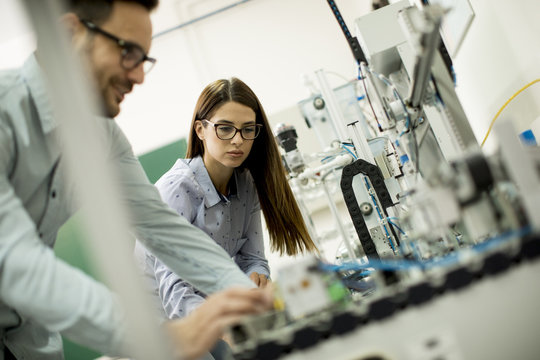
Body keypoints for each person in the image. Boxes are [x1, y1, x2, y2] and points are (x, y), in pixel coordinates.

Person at [0, 1, 272, 360]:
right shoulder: (6, 112)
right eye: (128, 52)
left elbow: (163, 228)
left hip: (30, 342)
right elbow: (13, 260)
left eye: (144, 59)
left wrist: (246, 302)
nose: (139, 76)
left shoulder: (103, 137)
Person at [134, 77, 318, 358]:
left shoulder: (245, 185)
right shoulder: (176, 191)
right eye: (225, 128)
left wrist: (256, 282)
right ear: (200, 130)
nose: (237, 140)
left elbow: (253, 259)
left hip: (211, 307)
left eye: (248, 130)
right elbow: (175, 292)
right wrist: (229, 324)